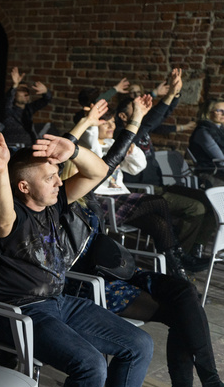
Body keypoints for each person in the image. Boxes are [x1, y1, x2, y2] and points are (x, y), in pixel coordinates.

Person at [0, 128, 164, 387]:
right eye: (50, 178)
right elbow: (2, 217)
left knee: (139, 344)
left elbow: (98, 172)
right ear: (24, 187)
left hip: (60, 302)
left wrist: (73, 150)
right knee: (90, 365)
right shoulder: (7, 217)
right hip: (21, 313)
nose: (59, 182)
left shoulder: (54, 202)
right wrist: (0, 170)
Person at [60, 158, 224, 387]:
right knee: (183, 313)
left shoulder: (89, 199)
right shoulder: (59, 203)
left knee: (186, 292)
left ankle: (210, 382)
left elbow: (109, 165)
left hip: (117, 271)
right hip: (91, 283)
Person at [79, 98, 192, 278]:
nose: (111, 127)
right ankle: (180, 254)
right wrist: (91, 124)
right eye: (105, 124)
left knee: (158, 224)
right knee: (158, 201)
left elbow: (137, 167)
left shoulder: (111, 144)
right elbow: (92, 145)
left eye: (112, 123)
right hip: (102, 202)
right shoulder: (86, 147)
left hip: (122, 200)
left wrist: (133, 151)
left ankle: (178, 270)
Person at [117, 69, 213, 265]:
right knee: (196, 208)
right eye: (136, 110)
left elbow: (161, 116)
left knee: (208, 200)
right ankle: (179, 259)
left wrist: (175, 94)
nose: (142, 114)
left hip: (159, 185)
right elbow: (151, 120)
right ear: (123, 116)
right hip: (142, 190)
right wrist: (168, 95)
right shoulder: (123, 133)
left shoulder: (142, 127)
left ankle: (195, 246)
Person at [2, 68, 52, 147]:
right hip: (12, 147)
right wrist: (14, 86)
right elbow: (7, 101)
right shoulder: (8, 109)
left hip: (28, 146)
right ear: (14, 94)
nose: (26, 93)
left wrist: (46, 92)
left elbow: (46, 100)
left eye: (27, 91)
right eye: (22, 90)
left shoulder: (29, 109)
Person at [188, 98, 224, 186]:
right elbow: (220, 159)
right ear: (208, 112)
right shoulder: (203, 131)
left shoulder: (220, 128)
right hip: (211, 173)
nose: (223, 113)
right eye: (219, 111)